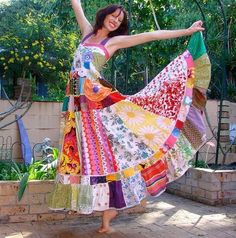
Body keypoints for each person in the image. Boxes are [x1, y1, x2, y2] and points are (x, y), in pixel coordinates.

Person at [49, 0, 210, 234]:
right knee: (88, 157)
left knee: (112, 152)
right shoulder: (86, 33)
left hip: (98, 104)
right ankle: (102, 216)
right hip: (76, 107)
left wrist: (187, 31)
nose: (115, 20)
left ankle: (109, 215)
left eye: (120, 20)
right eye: (113, 15)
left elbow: (152, 35)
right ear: (104, 15)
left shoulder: (113, 42)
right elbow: (77, 5)